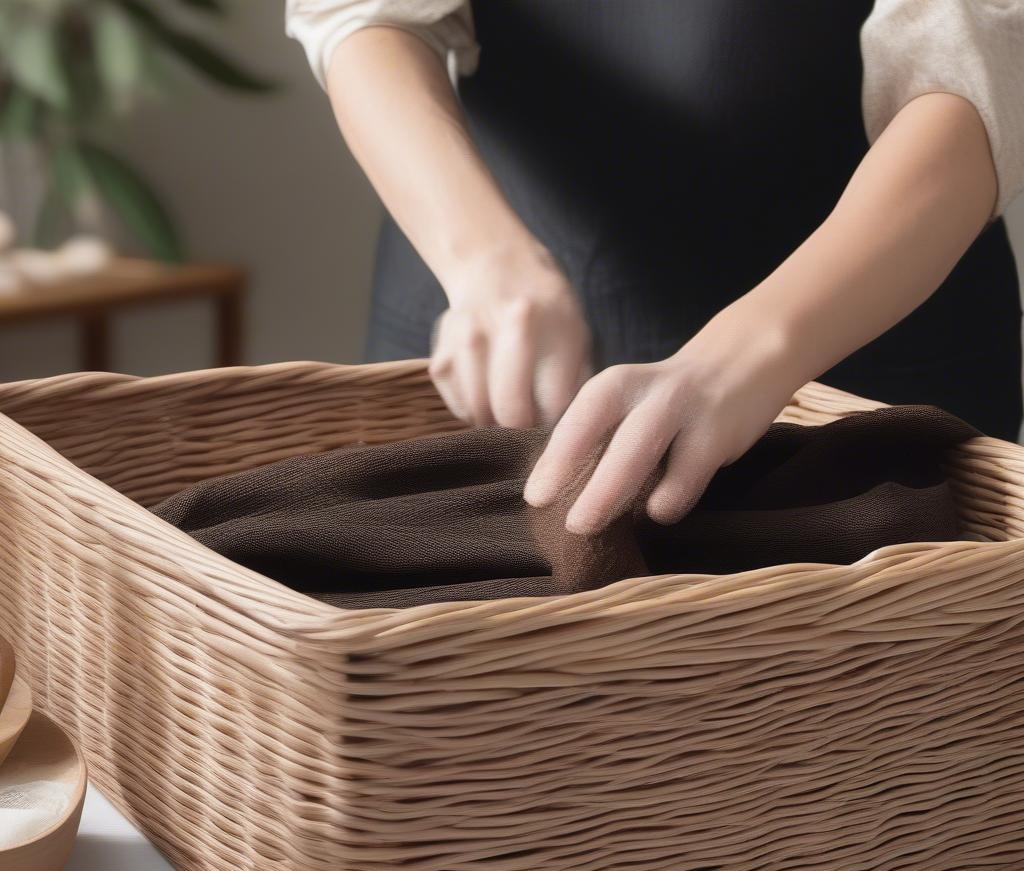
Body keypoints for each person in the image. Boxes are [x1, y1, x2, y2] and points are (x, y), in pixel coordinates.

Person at [286, 1, 1024, 535]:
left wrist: (754, 352)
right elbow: (364, 16)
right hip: (480, 306)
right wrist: (483, 261)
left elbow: (973, 64)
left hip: (869, 351)